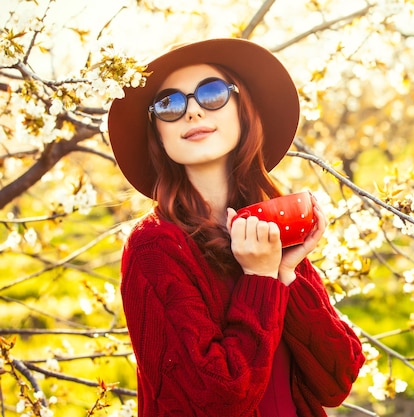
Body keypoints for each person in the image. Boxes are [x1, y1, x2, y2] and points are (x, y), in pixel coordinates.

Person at [107, 38, 365, 417]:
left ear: (244, 111)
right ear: (157, 133)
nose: (192, 111)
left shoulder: (268, 227)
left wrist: (286, 274)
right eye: (169, 104)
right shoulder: (155, 249)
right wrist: (260, 280)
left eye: (211, 94)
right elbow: (218, 401)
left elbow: (337, 380)